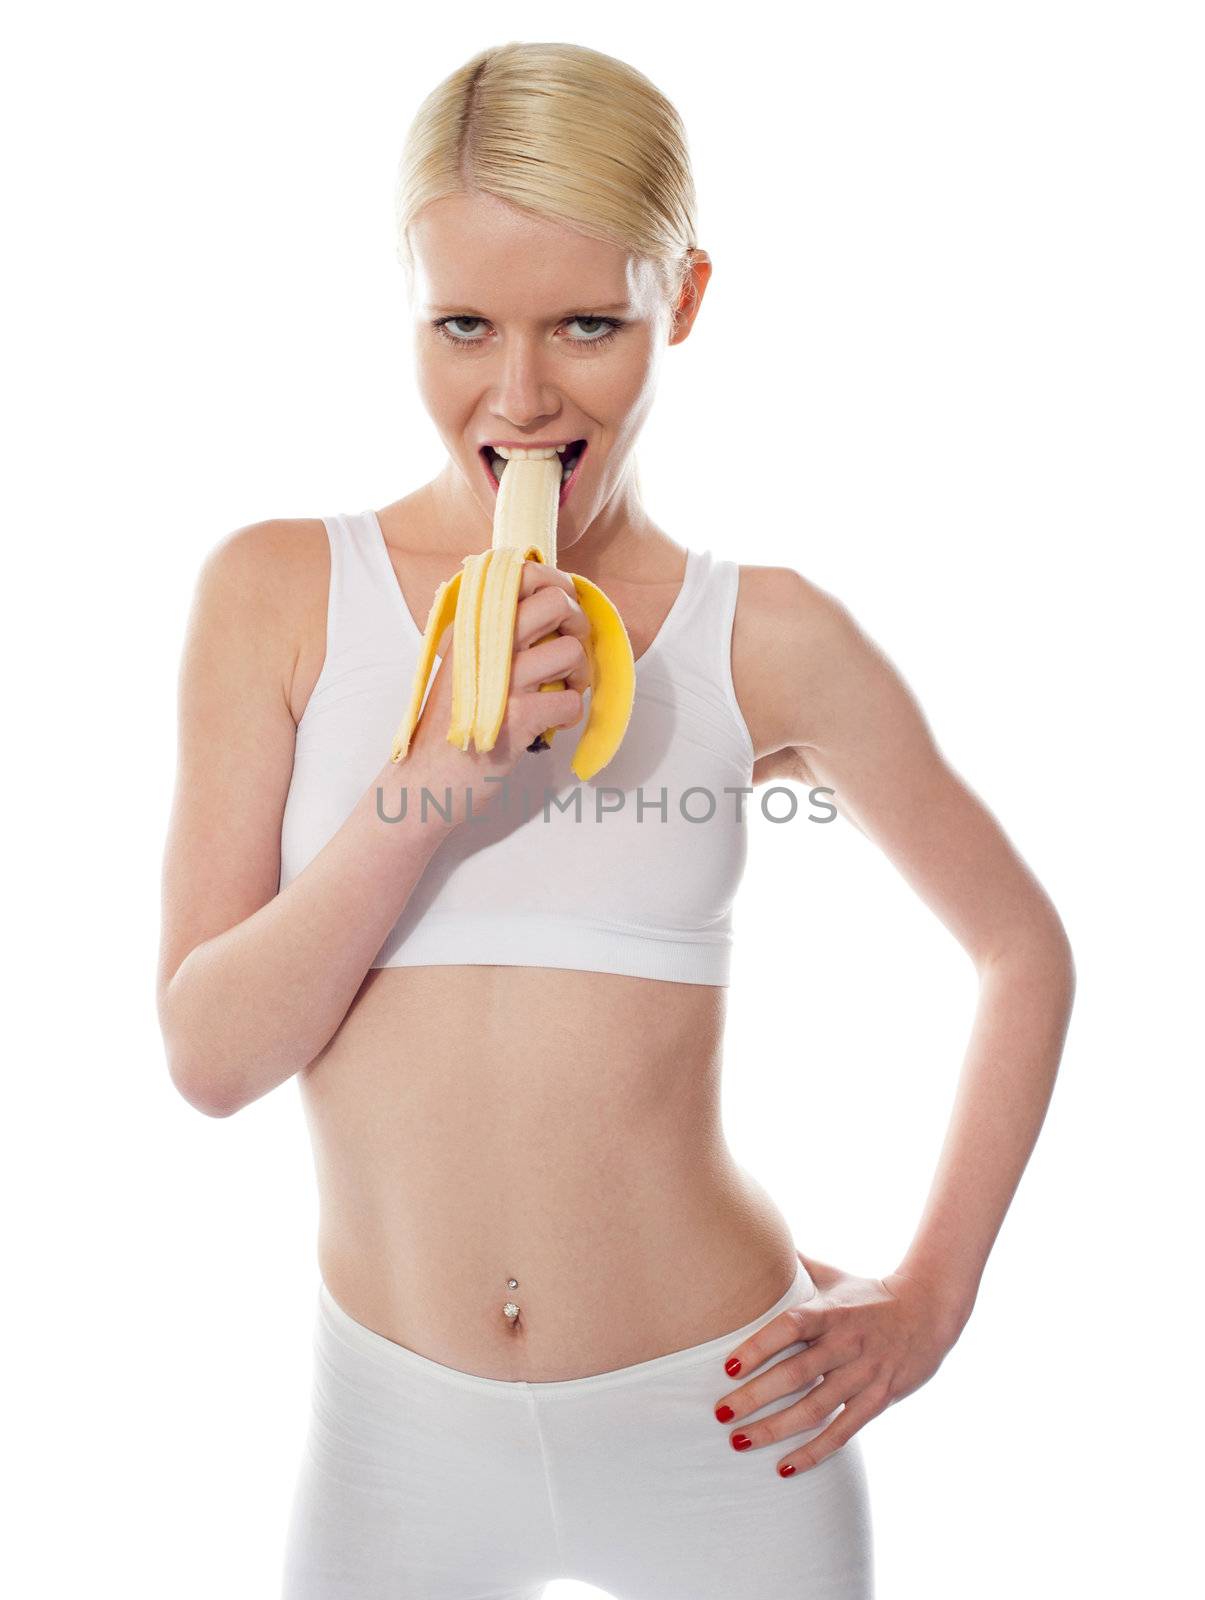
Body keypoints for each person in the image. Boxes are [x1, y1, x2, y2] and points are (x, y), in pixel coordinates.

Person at [156, 40, 1076, 1600]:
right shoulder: (277, 596)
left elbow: (1017, 949)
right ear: (409, 306)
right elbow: (210, 1057)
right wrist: (437, 790)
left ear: (686, 299)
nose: (518, 398)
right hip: (390, 1427)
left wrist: (932, 1295)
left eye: (589, 324)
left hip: (719, 1414)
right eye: (462, 326)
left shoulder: (762, 637)